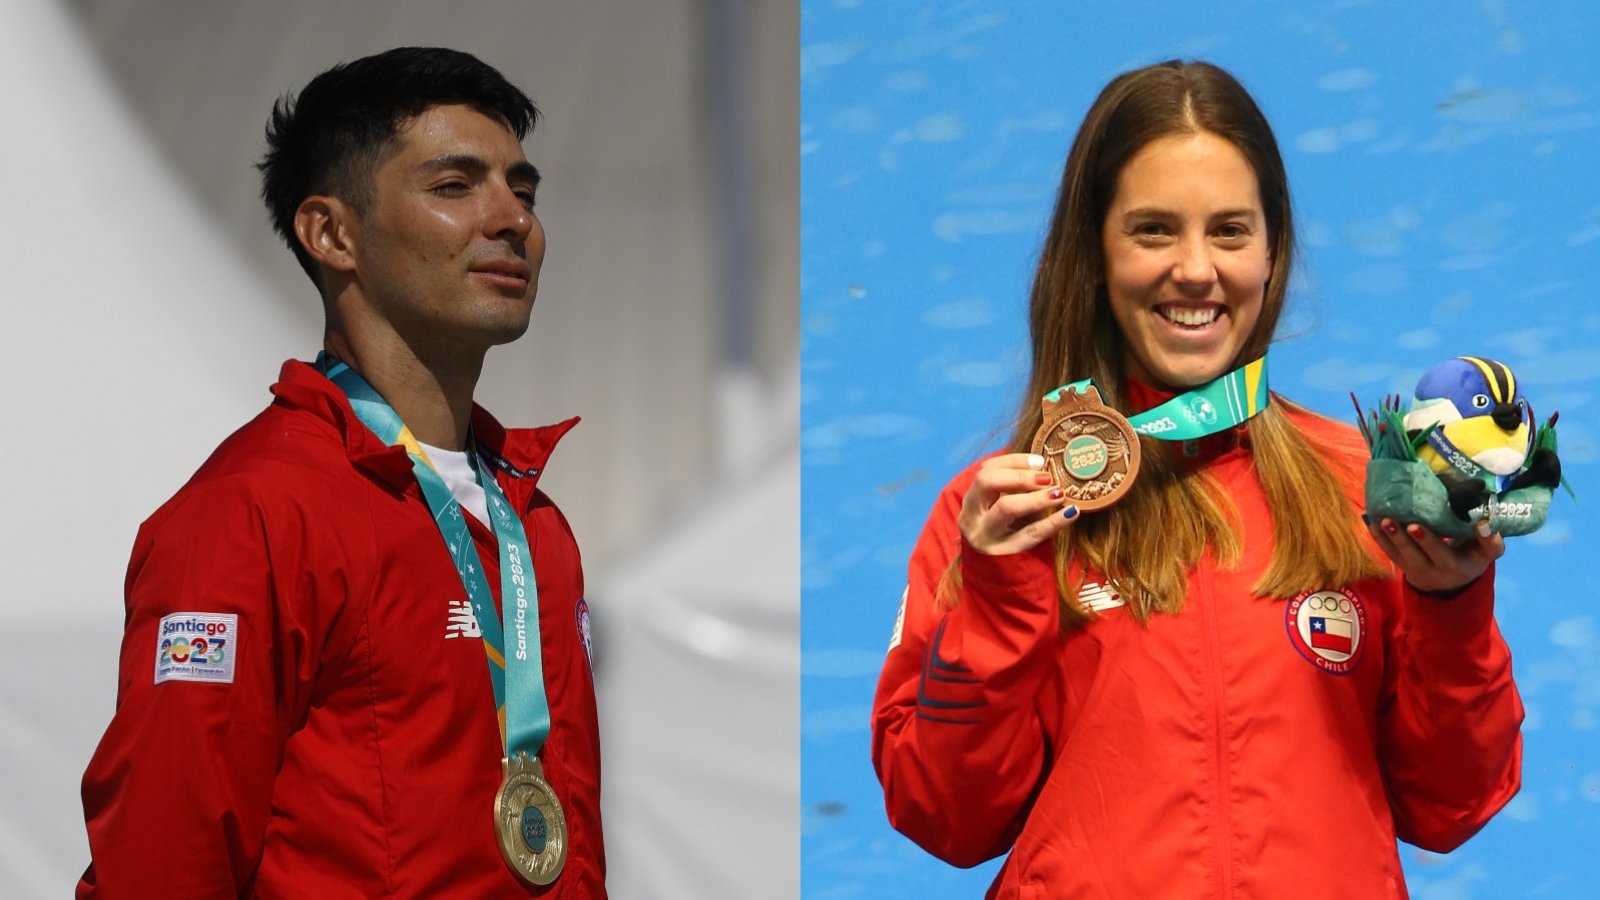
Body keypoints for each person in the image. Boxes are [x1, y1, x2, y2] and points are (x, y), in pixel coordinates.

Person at [872, 60, 1522, 899]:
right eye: (1152, 230)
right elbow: (944, 820)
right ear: (1094, 254)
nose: (1194, 269)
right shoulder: (998, 512)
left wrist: (1452, 611)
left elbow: (1453, 806)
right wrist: (998, 595)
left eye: (1228, 231)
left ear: (1272, 250)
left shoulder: (1368, 490)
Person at [78, 47, 605, 896]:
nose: (513, 219)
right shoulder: (250, 516)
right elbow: (161, 865)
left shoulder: (533, 521)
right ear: (331, 233)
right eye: (455, 186)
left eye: (524, 190)